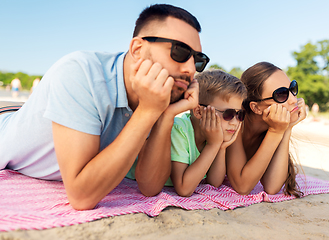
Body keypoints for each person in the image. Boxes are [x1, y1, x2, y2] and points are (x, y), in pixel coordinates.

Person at [0, 4, 210, 210]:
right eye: (180, 51)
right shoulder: (81, 73)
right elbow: (82, 197)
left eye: (198, 60)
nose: (191, 69)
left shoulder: (157, 95)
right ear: (138, 49)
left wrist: (165, 114)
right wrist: (147, 111)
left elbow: (150, 186)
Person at [226, 62, 306, 197]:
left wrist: (287, 128)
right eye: (281, 94)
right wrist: (276, 132)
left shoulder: (272, 129)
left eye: (292, 88)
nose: (293, 99)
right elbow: (242, 186)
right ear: (256, 108)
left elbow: (272, 186)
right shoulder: (235, 123)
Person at [164, 70, 247, 197]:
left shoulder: (212, 137)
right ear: (198, 111)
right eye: (228, 114)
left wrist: (221, 147)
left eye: (239, 114)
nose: (235, 122)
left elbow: (214, 183)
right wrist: (213, 145)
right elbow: (183, 189)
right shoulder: (179, 129)